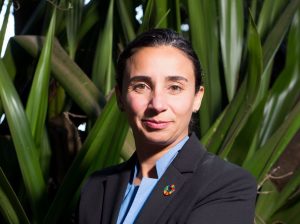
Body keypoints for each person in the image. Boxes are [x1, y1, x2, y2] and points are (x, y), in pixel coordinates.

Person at [77, 29, 257, 224]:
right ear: (120, 97)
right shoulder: (96, 187)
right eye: (141, 86)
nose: (158, 104)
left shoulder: (227, 185)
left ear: (197, 98)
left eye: (175, 88)